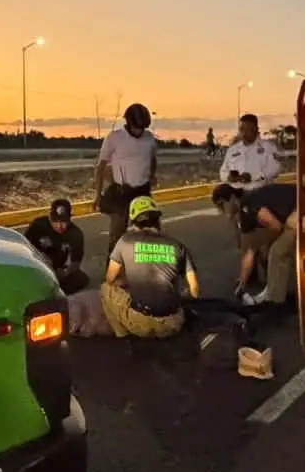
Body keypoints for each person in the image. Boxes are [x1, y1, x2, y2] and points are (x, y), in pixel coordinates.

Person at [101, 196, 200, 339]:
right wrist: (182, 296)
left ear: (133, 224)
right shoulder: (177, 246)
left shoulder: (125, 241)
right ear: (158, 221)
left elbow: (110, 278)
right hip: (173, 324)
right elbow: (195, 290)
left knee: (106, 289)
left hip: (140, 324)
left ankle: (122, 336)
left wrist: (128, 281)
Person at [213, 182, 297, 307]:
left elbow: (276, 226)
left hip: (300, 208)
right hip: (289, 216)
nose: (221, 210)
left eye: (222, 205)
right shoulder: (244, 215)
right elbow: (249, 251)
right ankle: (275, 293)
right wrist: (242, 283)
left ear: (232, 198)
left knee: (278, 252)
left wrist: (265, 242)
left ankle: (276, 301)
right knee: (274, 250)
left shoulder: (250, 203)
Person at [96, 103, 158, 254]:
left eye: (142, 127)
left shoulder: (149, 139)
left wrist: (152, 175)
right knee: (117, 236)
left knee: (150, 233)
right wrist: (98, 195)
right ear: (128, 123)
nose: (139, 131)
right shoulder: (114, 138)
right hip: (121, 192)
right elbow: (100, 167)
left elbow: (153, 159)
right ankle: (113, 272)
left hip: (142, 191)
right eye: (137, 127)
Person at [25, 198, 89, 294]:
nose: (59, 226)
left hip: (57, 269)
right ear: (50, 217)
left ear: (69, 220)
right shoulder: (38, 225)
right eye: (55, 221)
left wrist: (66, 272)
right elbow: (24, 246)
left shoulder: (75, 234)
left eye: (63, 222)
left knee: (81, 279)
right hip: (36, 265)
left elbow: (76, 261)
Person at [221, 113, 281, 192]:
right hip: (237, 194)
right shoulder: (232, 150)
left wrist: (253, 176)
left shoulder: (268, 147)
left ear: (256, 129)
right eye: (242, 129)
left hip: (260, 191)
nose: (244, 133)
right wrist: (229, 177)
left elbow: (275, 169)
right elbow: (223, 171)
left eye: (248, 129)